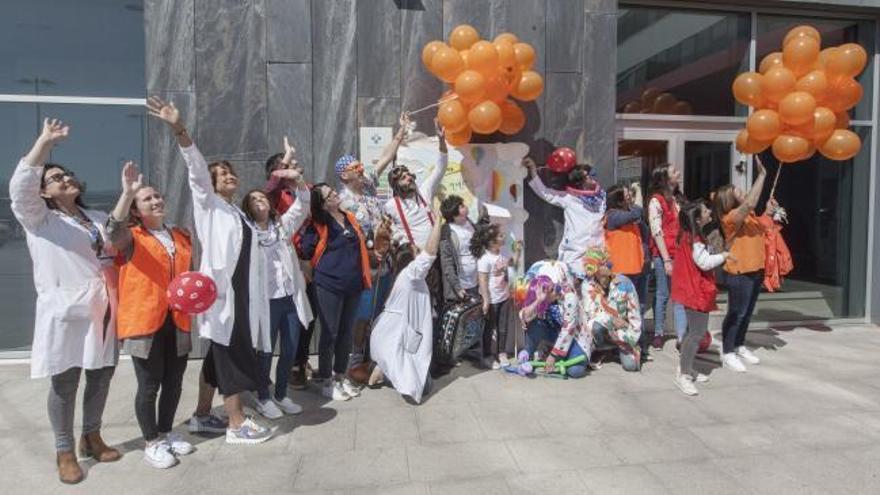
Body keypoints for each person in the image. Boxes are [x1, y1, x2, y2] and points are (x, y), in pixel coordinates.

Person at [147, 96, 273, 445]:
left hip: (240, 293)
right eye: (221, 174)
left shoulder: (237, 213)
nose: (229, 176)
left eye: (231, 172)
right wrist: (179, 129)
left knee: (218, 359)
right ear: (211, 183)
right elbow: (196, 169)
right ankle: (235, 423)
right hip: (223, 294)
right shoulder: (209, 204)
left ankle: (203, 415)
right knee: (230, 356)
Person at [10, 118, 121, 483]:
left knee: (101, 376)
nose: (65, 179)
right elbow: (21, 186)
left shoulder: (93, 217)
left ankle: (92, 435)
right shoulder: (39, 219)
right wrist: (45, 142)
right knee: (66, 383)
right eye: (55, 178)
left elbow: (115, 235)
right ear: (43, 192)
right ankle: (64, 449)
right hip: (66, 310)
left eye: (67, 175)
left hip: (102, 307)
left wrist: (129, 192)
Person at [107, 161, 194, 468]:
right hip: (145, 322)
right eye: (147, 199)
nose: (156, 201)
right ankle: (152, 441)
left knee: (175, 383)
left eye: (158, 196)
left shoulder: (181, 236)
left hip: (178, 320)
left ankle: (167, 432)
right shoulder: (131, 237)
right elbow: (111, 230)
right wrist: (127, 192)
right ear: (135, 210)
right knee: (149, 386)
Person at [240, 156, 313, 419]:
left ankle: (281, 394)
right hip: (265, 301)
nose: (261, 202)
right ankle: (262, 396)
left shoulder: (282, 225)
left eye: (263, 198)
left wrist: (298, 179)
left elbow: (304, 203)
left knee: (290, 348)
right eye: (255, 200)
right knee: (266, 350)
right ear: (248, 208)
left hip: (289, 298)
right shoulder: (245, 232)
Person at [338, 112, 409, 372]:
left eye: (359, 165)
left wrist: (400, 131)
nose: (360, 169)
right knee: (363, 312)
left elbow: (386, 156)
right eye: (353, 168)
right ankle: (356, 356)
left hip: (386, 261)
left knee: (381, 308)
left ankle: (375, 352)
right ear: (344, 176)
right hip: (364, 265)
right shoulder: (341, 201)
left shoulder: (368, 185)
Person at [300, 183, 372, 401]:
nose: (334, 194)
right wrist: (311, 275)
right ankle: (326, 380)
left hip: (353, 284)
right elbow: (304, 252)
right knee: (329, 333)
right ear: (322, 203)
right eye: (329, 195)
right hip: (329, 285)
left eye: (333, 192)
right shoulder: (318, 224)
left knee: (346, 332)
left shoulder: (349, 216)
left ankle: (340, 376)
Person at [368, 207, 444, 403]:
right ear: (411, 259)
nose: (420, 250)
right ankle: (384, 369)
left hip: (390, 335)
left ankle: (383, 368)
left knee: (421, 377)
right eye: (416, 250)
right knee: (422, 387)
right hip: (393, 337)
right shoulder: (411, 274)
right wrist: (437, 223)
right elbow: (431, 253)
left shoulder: (406, 275)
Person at [263, 142, 317, 390]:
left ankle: (298, 363)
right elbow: (271, 187)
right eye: (289, 167)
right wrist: (287, 157)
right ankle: (267, 388)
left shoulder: (305, 192)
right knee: (269, 340)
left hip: (312, 261)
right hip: (286, 267)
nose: (295, 169)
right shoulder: (274, 199)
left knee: (306, 321)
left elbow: (313, 208)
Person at [713, 155, 769, 372]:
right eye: (737, 191)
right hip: (739, 271)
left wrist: (768, 213)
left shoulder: (749, 216)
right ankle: (728, 351)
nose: (742, 192)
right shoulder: (730, 218)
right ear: (730, 199)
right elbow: (751, 202)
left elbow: (759, 224)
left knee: (747, 312)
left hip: (755, 268)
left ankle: (739, 344)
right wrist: (762, 176)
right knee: (737, 313)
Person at [671, 201, 732, 395]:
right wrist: (724, 255)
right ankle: (684, 375)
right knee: (696, 334)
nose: (709, 212)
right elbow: (705, 263)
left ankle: (686, 368)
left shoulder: (688, 236)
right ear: (698, 219)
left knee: (692, 332)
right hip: (695, 291)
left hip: (690, 290)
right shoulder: (694, 239)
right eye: (706, 210)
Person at [523, 156, 606, 277]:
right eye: (588, 175)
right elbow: (546, 193)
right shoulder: (570, 198)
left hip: (597, 252)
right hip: (575, 251)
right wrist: (533, 170)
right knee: (572, 284)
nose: (593, 177)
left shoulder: (601, 198)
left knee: (593, 291)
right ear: (581, 182)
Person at [604, 183, 651, 361]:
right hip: (622, 272)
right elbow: (637, 212)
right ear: (618, 200)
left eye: (631, 194)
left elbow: (645, 234)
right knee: (623, 311)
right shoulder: (613, 216)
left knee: (639, 308)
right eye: (627, 194)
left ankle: (640, 345)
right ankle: (622, 346)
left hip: (638, 269)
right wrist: (639, 190)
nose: (630, 197)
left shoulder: (629, 216)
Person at [579, 248, 642, 372]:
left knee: (631, 366)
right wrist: (611, 319)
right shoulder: (587, 286)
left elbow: (635, 314)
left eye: (607, 263)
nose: (607, 266)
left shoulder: (624, 283)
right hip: (601, 328)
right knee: (596, 327)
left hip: (623, 331)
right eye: (602, 264)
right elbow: (591, 314)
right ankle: (601, 349)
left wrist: (632, 338)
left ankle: (619, 347)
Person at [647, 165, 687, 349]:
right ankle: (658, 333)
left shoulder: (678, 199)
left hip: (679, 252)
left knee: (679, 295)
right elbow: (657, 232)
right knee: (663, 294)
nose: (678, 173)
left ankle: (681, 336)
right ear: (664, 177)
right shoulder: (656, 201)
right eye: (673, 171)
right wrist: (666, 260)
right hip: (664, 254)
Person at [518, 274, 587, 378]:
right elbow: (525, 317)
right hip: (556, 335)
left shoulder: (570, 297)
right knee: (535, 323)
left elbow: (568, 329)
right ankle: (527, 356)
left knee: (575, 371)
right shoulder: (544, 300)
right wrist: (539, 301)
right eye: (551, 290)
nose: (556, 290)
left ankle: (559, 357)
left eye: (554, 286)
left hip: (575, 338)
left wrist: (553, 356)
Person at [472, 222, 521, 369]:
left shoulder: (502, 253)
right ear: (492, 241)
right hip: (492, 300)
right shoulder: (484, 259)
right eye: (501, 235)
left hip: (504, 297)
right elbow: (482, 281)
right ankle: (487, 355)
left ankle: (502, 353)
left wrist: (517, 252)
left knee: (503, 327)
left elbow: (512, 266)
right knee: (489, 328)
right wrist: (486, 301)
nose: (504, 237)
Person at [439, 194, 480, 305]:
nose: (465, 207)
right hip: (461, 288)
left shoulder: (471, 224)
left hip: (476, 283)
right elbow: (447, 263)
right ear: (454, 214)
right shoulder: (447, 233)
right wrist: (457, 288)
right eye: (461, 206)